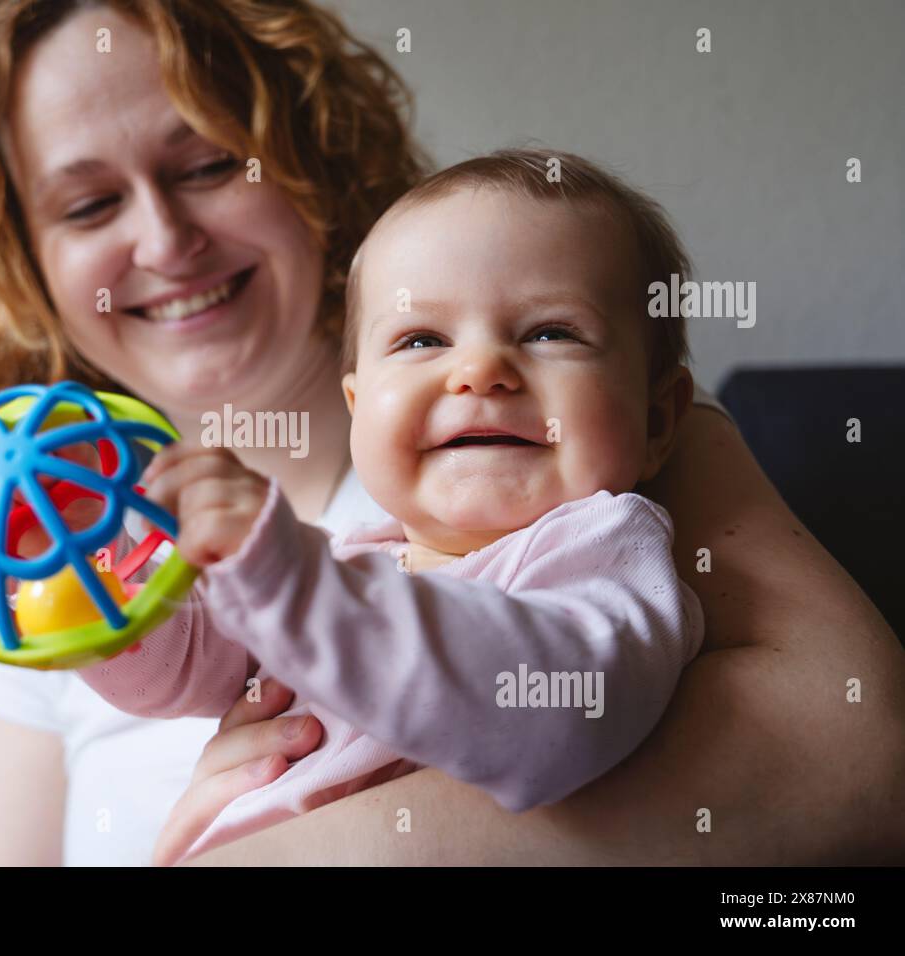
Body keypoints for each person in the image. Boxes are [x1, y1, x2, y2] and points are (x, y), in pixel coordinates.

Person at [0, 0, 905, 867]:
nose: (165, 242)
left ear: (307, 158)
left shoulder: (578, 481)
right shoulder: (369, 543)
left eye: (209, 162)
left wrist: (279, 849)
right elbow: (207, 656)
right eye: (89, 204)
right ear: (26, 260)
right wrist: (93, 589)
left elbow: (861, 759)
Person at [78, 149, 711, 864]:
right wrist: (88, 576)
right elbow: (190, 664)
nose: (478, 371)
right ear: (358, 409)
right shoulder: (355, 555)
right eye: (421, 340)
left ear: (658, 422)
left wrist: (294, 577)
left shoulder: (602, 554)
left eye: (549, 332)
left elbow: (551, 714)